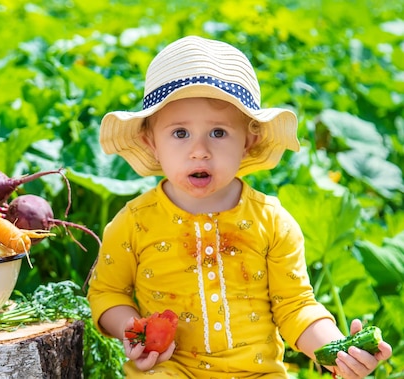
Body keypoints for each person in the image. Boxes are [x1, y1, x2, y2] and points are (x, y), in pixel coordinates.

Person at [86, 35, 392, 378]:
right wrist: (133, 330)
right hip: (170, 368)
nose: (199, 150)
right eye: (180, 133)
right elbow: (107, 292)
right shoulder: (134, 222)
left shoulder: (272, 221)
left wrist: (336, 350)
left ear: (249, 141)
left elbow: (295, 305)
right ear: (150, 142)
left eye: (218, 133)